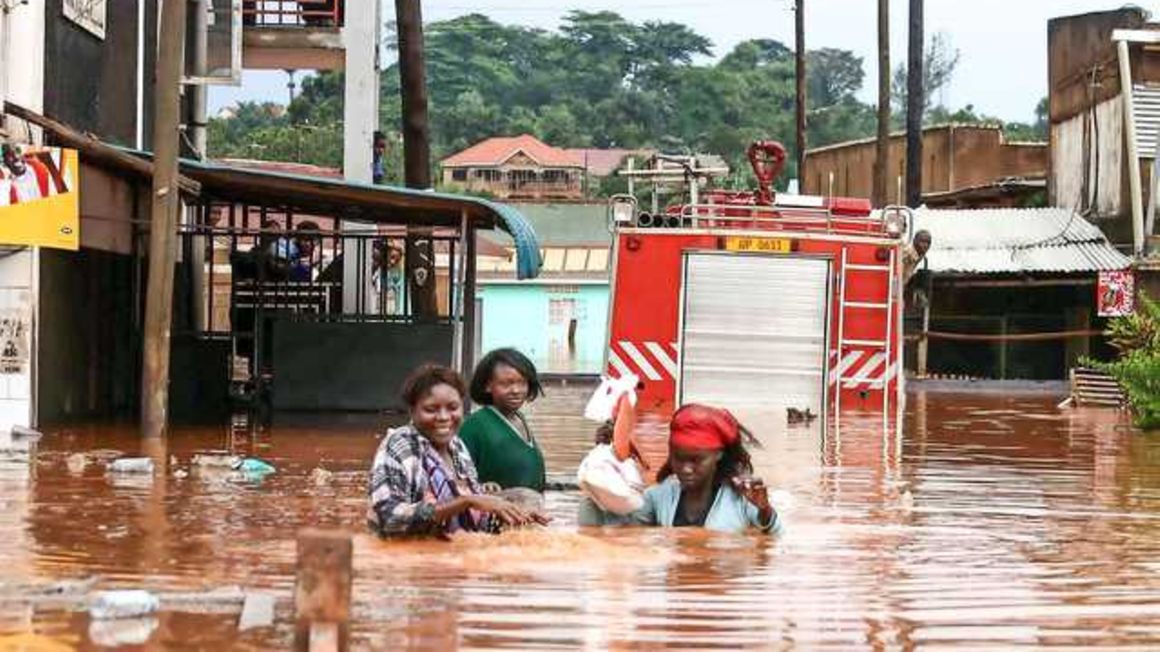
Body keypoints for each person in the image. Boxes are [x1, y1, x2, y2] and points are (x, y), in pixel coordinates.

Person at [367, 364, 548, 537]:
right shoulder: (401, 444)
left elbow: (474, 516)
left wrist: (513, 513)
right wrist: (466, 502)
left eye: (453, 408)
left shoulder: (457, 447)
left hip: (450, 550)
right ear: (412, 410)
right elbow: (389, 518)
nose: (444, 417)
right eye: (431, 409)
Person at [580, 404, 781, 534]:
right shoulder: (660, 497)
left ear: (718, 455)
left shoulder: (742, 500)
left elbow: (775, 540)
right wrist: (602, 478)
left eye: (696, 460)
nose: (686, 469)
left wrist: (765, 512)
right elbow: (616, 526)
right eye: (679, 459)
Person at [459, 348, 547, 492]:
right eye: (506, 384)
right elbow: (456, 477)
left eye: (522, 383)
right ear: (487, 385)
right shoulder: (474, 426)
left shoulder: (520, 419)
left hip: (530, 510)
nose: (516, 390)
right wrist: (481, 487)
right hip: (495, 512)